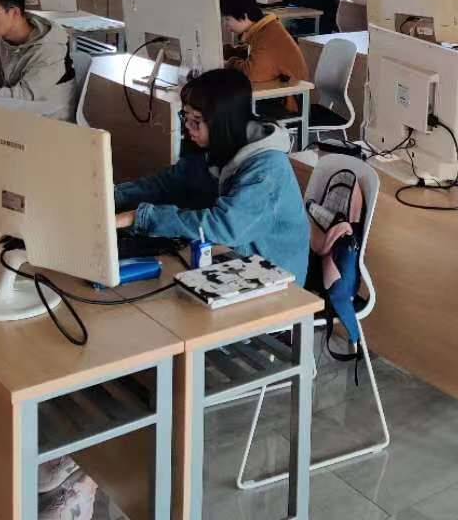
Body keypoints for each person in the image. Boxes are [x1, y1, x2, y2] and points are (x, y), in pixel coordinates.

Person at [34, 69, 308, 519]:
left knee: (139, 348)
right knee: (110, 325)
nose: (188, 129)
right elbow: (167, 183)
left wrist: (138, 217)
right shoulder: (217, 150)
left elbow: (222, 226)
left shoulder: (267, 170)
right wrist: (104, 196)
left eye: (196, 121)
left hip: (269, 296)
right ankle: (88, 453)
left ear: (223, 122)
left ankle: (92, 477)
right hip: (218, 273)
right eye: (186, 118)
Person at [220, 0, 311, 114]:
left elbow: (251, 73)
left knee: (226, 106)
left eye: (227, 19)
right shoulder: (265, 29)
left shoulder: (269, 35)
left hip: (289, 105)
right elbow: (250, 52)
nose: (226, 24)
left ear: (244, 16)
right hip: (279, 96)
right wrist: (222, 51)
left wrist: (229, 63)